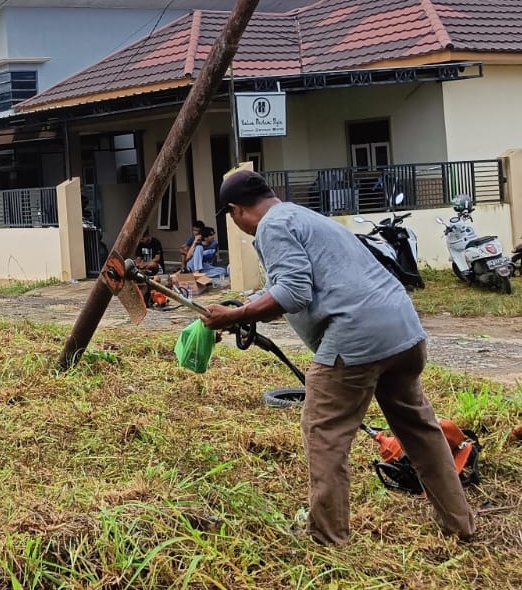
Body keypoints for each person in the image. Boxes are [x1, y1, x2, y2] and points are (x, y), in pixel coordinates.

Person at [200, 170, 475, 547]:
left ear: (236, 210)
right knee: (419, 429)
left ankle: (327, 540)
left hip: (355, 337)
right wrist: (247, 309)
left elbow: (293, 292)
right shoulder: (305, 217)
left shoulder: (272, 227)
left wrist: (235, 316)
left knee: (324, 432)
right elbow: (295, 285)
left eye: (231, 217)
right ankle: (460, 524)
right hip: (402, 330)